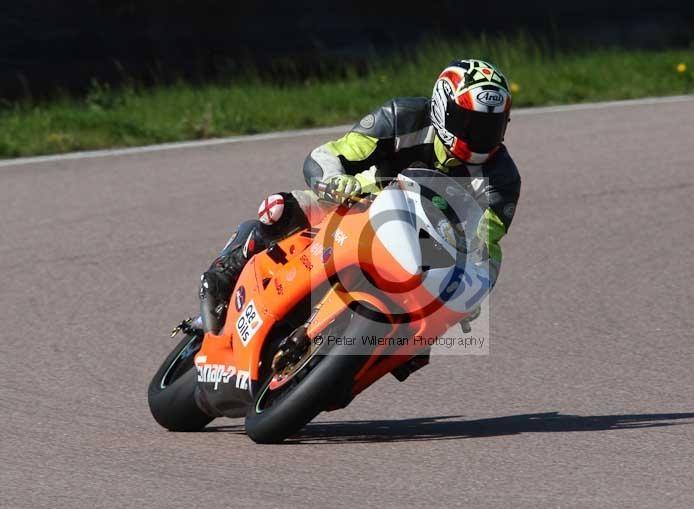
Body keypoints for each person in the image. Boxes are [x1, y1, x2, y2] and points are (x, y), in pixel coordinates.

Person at [199, 58, 521, 349]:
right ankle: (225, 272)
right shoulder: (403, 118)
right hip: (356, 205)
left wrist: (468, 295)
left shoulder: (502, 180)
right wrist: (334, 181)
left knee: (426, 340)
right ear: (442, 110)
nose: (480, 135)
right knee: (278, 209)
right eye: (471, 123)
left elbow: (484, 242)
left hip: (425, 252)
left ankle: (371, 358)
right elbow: (328, 155)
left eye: (490, 126)